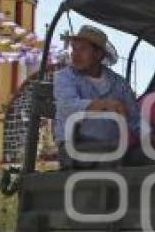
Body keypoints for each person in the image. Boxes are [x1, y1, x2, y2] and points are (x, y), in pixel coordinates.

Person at [54, 25, 140, 166]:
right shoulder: (64, 77)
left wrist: (152, 140)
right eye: (74, 49)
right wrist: (108, 105)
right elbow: (68, 106)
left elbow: (135, 118)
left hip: (112, 147)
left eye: (83, 49)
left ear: (99, 54)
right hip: (75, 147)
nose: (75, 55)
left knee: (148, 159)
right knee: (114, 159)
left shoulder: (118, 83)